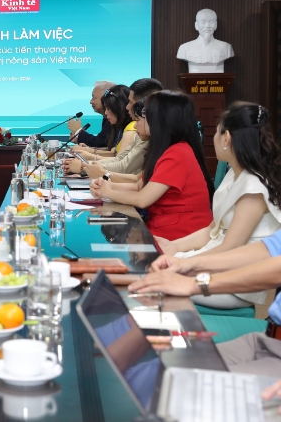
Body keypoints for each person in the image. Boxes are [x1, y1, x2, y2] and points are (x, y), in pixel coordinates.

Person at [147, 103, 281, 309]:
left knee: (153, 279)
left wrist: (184, 263)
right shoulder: (234, 173)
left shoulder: (253, 187)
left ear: (226, 138)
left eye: (217, 132)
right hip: (217, 259)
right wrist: (175, 247)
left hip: (235, 279)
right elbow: (213, 229)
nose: (214, 138)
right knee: (154, 266)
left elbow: (231, 247)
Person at [128, 231, 281, 376]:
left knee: (176, 379)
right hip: (267, 338)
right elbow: (270, 249)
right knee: (153, 370)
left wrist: (195, 284)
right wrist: (189, 265)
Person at [90, 90, 214, 240]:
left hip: (180, 235)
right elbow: (139, 186)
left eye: (144, 115)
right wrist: (106, 185)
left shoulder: (178, 153)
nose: (138, 122)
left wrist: (108, 192)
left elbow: (142, 199)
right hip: (164, 228)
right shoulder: (167, 149)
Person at [67, 78, 162, 177]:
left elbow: (124, 167)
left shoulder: (135, 130)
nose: (127, 107)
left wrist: (84, 166)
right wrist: (88, 161)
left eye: (130, 102)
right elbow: (120, 159)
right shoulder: (137, 131)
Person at [72, 85, 134, 159]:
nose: (106, 113)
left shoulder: (131, 129)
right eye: (105, 108)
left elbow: (120, 161)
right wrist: (89, 149)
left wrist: (90, 155)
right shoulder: (120, 127)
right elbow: (113, 152)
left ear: (119, 107)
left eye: (108, 108)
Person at [176, 8, 235, 74]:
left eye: (211, 22)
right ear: (196, 25)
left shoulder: (226, 48)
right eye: (203, 22)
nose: (207, 26)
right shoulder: (184, 48)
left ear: (216, 25)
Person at [66, 81, 114, 147]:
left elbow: (100, 143)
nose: (91, 102)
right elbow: (104, 144)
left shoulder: (114, 119)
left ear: (106, 98)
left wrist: (78, 131)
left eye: (94, 97)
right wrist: (78, 139)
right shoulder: (106, 118)